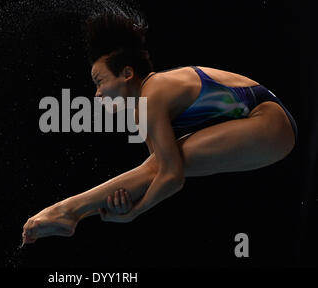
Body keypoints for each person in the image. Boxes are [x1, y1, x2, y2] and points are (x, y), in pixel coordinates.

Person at [21, 14, 297, 244]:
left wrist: (134, 213)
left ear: (127, 74)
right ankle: (71, 211)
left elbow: (171, 175)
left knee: (161, 165)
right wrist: (124, 203)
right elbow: (156, 176)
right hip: (267, 129)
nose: (96, 94)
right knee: (156, 165)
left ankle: (68, 210)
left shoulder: (152, 93)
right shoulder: (144, 107)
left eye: (100, 81)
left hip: (269, 120)